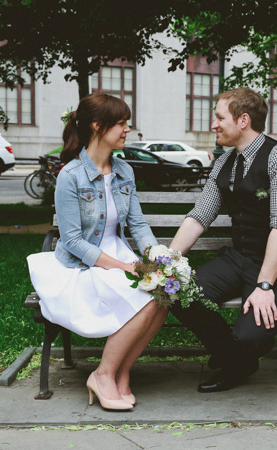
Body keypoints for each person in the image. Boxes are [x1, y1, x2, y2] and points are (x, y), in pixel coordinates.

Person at [27, 93, 168, 411]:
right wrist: (124, 267)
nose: (127, 129)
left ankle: (121, 373)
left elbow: (138, 225)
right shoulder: (70, 176)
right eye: (121, 123)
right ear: (96, 126)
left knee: (163, 294)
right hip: (82, 264)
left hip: (116, 254)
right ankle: (102, 375)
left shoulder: (124, 172)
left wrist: (160, 260)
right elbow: (74, 242)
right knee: (145, 298)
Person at [169, 87, 277, 393]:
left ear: (243, 120)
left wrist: (265, 286)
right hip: (239, 258)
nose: (213, 124)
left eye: (219, 117)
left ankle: (238, 353)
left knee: (250, 337)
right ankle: (235, 358)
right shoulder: (224, 162)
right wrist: (168, 264)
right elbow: (199, 217)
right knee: (178, 292)